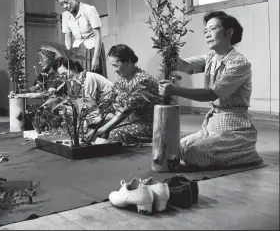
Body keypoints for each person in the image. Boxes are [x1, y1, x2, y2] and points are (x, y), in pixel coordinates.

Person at [158, 11, 263, 169]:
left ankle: (246, 151)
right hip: (212, 124)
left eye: (212, 29)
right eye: (205, 31)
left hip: (234, 127)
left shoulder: (239, 62)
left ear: (229, 32)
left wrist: (176, 91)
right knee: (177, 148)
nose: (207, 34)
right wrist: (169, 49)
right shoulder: (211, 57)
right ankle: (225, 150)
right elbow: (184, 65)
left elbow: (213, 93)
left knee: (194, 154)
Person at [86, 44, 159, 146]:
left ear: (128, 61)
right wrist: (99, 117)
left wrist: (103, 129)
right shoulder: (122, 80)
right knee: (91, 124)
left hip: (144, 124)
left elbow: (126, 110)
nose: (114, 70)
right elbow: (110, 100)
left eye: (116, 65)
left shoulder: (143, 80)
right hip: (126, 120)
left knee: (114, 134)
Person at [52, 0, 107, 78]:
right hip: (77, 52)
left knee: (93, 79)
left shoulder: (89, 10)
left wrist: (96, 58)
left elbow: (98, 36)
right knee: (79, 79)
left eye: (66, 2)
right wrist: (67, 58)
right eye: (62, 4)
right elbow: (67, 38)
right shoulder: (65, 15)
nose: (65, 6)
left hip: (93, 49)